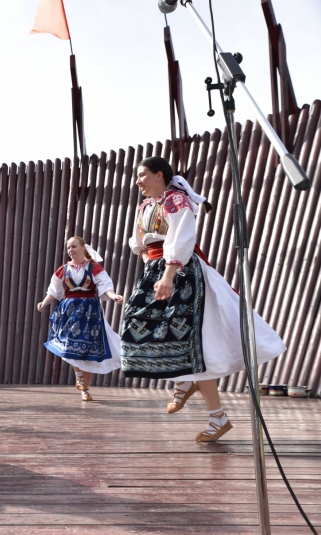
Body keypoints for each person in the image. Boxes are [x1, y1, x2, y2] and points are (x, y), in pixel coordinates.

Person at [121, 156, 286, 442]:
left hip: (181, 272)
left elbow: (182, 237)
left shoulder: (175, 200)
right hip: (155, 270)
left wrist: (169, 275)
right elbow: (139, 242)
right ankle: (190, 387)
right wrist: (151, 263)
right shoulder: (147, 204)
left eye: (142, 175)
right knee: (142, 331)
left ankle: (206, 406)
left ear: (159, 175)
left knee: (194, 344)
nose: (138, 181)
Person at [37, 237, 123, 401]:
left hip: (90, 313)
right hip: (69, 313)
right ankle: (79, 376)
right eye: (68, 247)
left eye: (74, 246)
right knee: (70, 346)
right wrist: (44, 302)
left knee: (88, 349)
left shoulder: (94, 268)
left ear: (83, 248)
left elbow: (105, 286)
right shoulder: (63, 269)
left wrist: (114, 296)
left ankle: (85, 389)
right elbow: (53, 290)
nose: (70, 250)